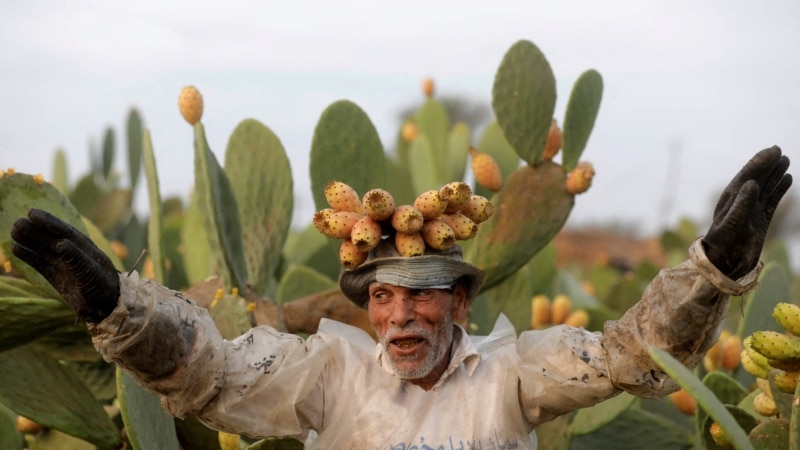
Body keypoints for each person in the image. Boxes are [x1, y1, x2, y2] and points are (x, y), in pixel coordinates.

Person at [9, 146, 792, 449]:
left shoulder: (513, 374)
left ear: (457, 303)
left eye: (420, 300)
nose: (398, 318)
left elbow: (630, 359)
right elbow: (210, 374)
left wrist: (711, 271)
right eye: (382, 300)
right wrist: (117, 310)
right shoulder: (327, 376)